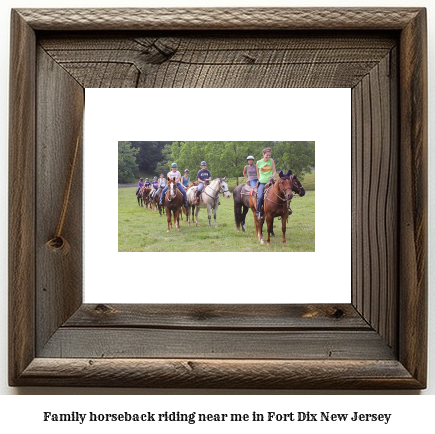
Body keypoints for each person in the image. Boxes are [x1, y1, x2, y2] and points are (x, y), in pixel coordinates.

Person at [256, 147, 277, 220]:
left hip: (271, 182)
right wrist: (260, 180)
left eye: (269, 155)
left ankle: (285, 209)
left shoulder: (271, 161)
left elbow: (274, 171)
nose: (268, 157)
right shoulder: (258, 162)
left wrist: (273, 176)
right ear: (263, 154)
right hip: (262, 182)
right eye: (267, 155)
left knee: (281, 192)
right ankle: (258, 211)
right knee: (260, 196)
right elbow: (258, 173)